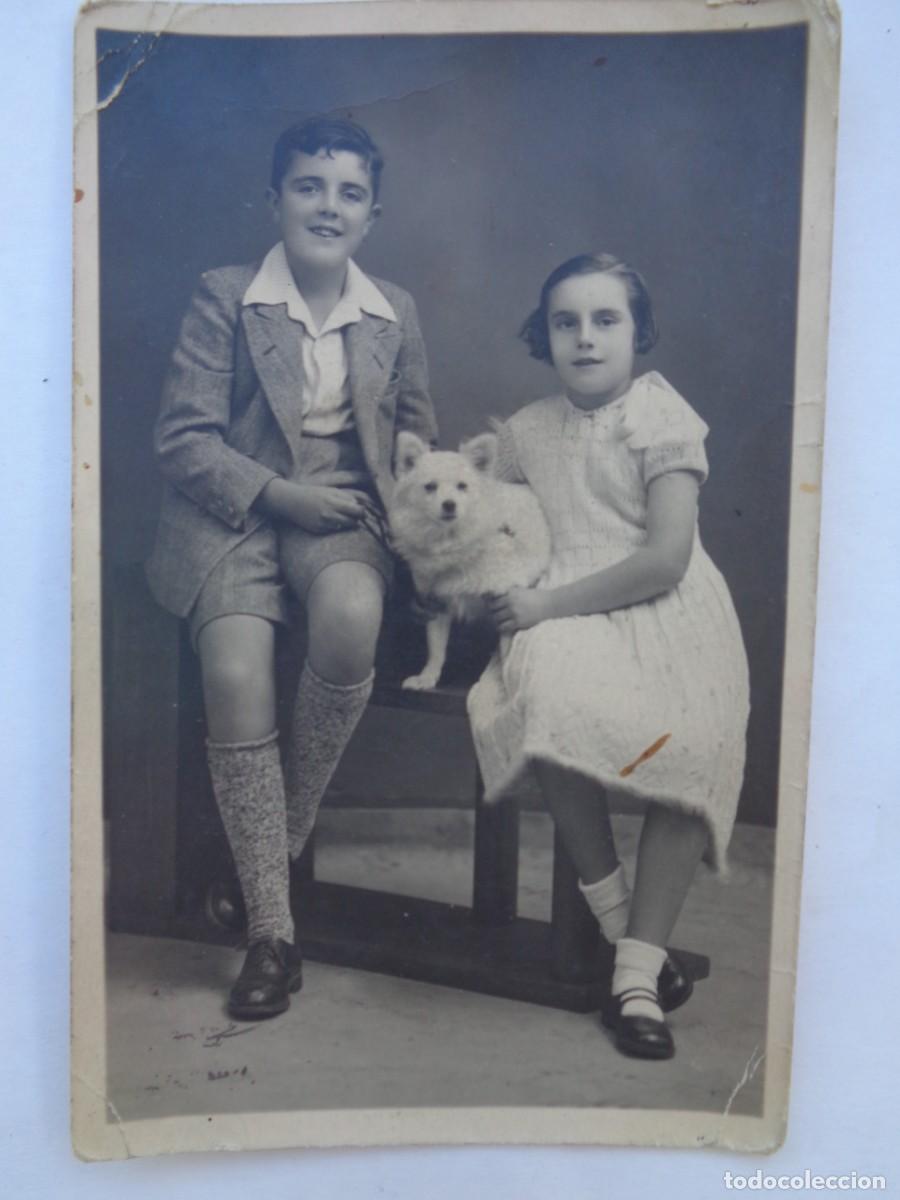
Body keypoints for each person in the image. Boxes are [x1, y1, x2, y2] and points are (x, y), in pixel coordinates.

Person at [145, 116, 437, 1020]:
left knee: (351, 617)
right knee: (235, 671)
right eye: (309, 186)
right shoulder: (226, 295)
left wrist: (418, 493)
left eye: (350, 193)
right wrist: (278, 494)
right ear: (274, 200)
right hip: (233, 513)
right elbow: (183, 440)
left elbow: (415, 433)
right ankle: (272, 933)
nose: (328, 206)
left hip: (342, 511)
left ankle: (261, 857)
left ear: (372, 215)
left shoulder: (393, 310)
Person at [468, 253, 750, 1060]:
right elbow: (496, 523)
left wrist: (545, 604)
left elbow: (665, 559)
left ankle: (632, 978)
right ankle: (632, 945)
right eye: (566, 323)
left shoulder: (661, 416)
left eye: (605, 320)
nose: (585, 339)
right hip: (563, 611)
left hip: (667, 607)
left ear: (637, 330)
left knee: (696, 741)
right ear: (545, 335)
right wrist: (494, 581)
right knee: (549, 705)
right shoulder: (524, 432)